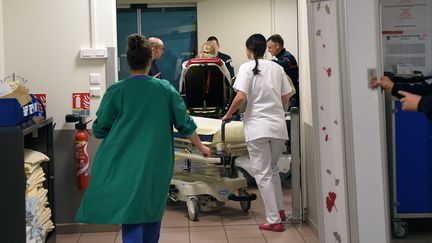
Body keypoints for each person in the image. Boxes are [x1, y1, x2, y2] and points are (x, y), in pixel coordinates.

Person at [75, 34, 211, 243]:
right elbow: (184, 124)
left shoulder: (116, 90)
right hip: (155, 163)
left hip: (123, 161)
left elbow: (100, 129)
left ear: (128, 62)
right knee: (151, 209)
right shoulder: (165, 89)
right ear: (150, 61)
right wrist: (201, 147)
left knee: (131, 212)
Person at [222, 34, 294, 232]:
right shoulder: (277, 68)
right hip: (278, 127)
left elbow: (240, 97)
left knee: (262, 174)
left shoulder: (246, 67)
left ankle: (273, 220)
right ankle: (279, 210)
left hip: (257, 128)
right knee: (272, 170)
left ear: (249, 50)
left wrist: (228, 115)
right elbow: (286, 97)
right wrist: (276, 112)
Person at [267, 34, 299, 107]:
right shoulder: (281, 58)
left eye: (269, 48)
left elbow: (283, 64)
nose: (268, 50)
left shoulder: (288, 57)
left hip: (293, 98)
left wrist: (266, 62)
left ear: (277, 46)